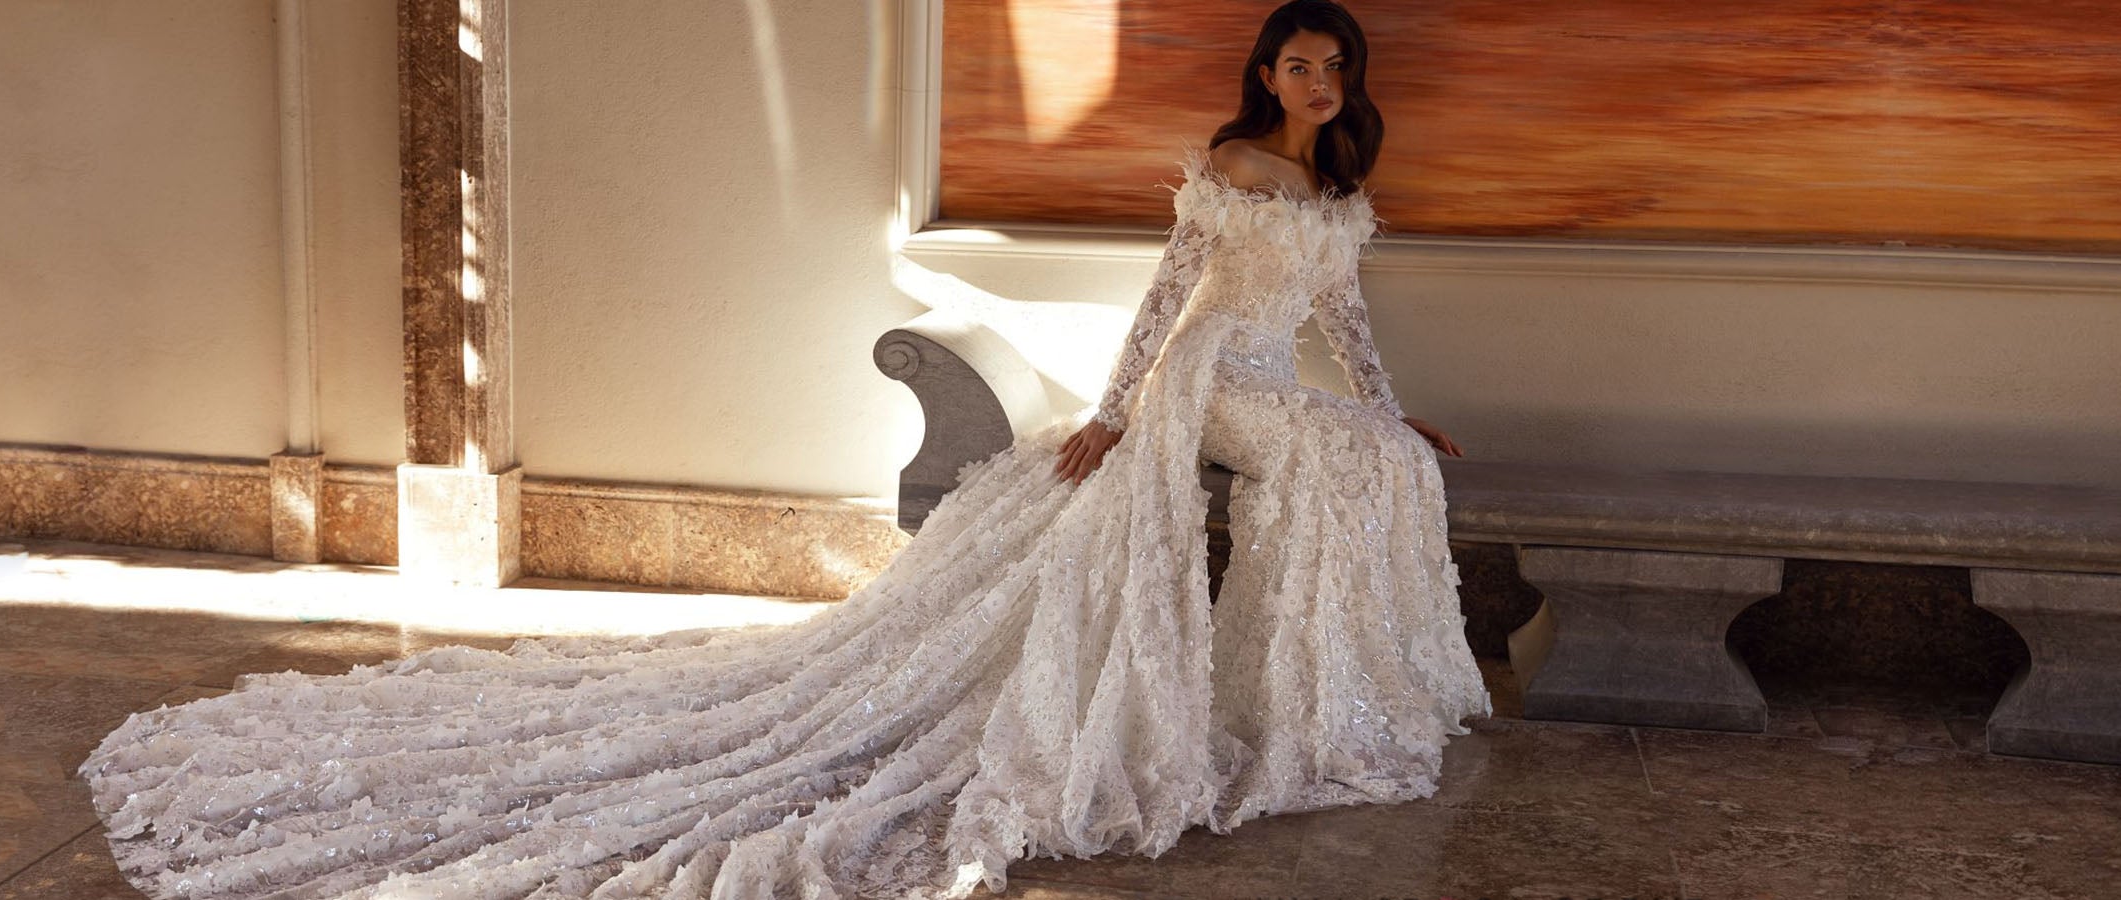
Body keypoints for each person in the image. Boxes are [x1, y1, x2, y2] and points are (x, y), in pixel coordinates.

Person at [78, 2, 1492, 897]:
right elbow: (1165, 301)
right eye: (1298, 60)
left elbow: (1344, 324)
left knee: (1386, 457)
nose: (1315, 80)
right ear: (1266, 71)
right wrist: (1121, 412)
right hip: (1202, 388)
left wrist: (1393, 402)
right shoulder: (1235, 168)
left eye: (1333, 66)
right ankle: (1312, 697)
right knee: (1339, 459)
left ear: (1348, 86)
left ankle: (1328, 691)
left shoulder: (1335, 188)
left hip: (1281, 383)